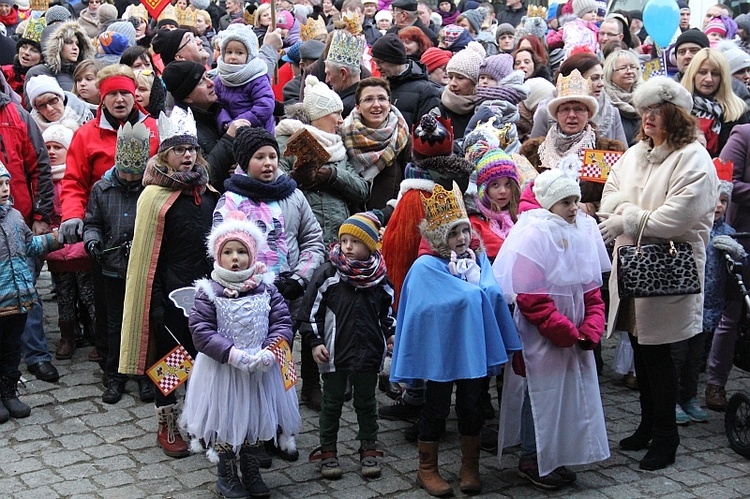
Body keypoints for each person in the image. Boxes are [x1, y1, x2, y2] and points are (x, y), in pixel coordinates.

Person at [599, 76, 718, 471]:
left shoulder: (694, 158)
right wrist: (627, 214)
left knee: (659, 353)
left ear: (674, 114)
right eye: (644, 110)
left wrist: (627, 217)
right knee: (640, 346)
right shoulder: (637, 152)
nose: (647, 118)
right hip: (633, 265)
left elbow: (676, 216)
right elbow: (610, 193)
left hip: (667, 265)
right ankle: (649, 424)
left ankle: (667, 436)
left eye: (656, 110)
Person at [389, 181, 520, 496]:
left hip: (471, 347)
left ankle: (469, 466)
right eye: (453, 234)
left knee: (471, 404)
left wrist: (475, 290)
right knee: (435, 406)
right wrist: (467, 293)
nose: (462, 238)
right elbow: (423, 308)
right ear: (438, 238)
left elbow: (489, 289)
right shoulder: (425, 267)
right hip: (441, 353)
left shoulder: (477, 258)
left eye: (464, 231)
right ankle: (427, 468)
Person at [494, 167, 610, 490]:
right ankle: (532, 458)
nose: (574, 208)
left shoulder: (580, 232)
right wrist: (566, 332)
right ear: (548, 205)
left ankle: (556, 456)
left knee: (568, 395)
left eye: (575, 200)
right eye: (565, 202)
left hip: (573, 334)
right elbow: (532, 299)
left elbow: (591, 291)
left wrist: (591, 326)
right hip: (542, 338)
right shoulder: (534, 235)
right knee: (540, 396)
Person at [180, 212, 300, 498]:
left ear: (253, 253)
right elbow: (201, 330)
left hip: (260, 369)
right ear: (217, 257)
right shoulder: (209, 292)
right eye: (228, 252)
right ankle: (226, 475)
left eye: (242, 251)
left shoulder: (267, 289)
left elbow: (282, 322)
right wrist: (231, 354)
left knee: (254, 418)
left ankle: (251, 467)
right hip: (224, 371)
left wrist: (272, 350)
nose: (235, 258)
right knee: (226, 419)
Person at [119, 106, 216, 458]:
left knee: (205, 358)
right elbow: (148, 257)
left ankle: (201, 419)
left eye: (191, 149)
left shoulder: (208, 193)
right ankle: (168, 422)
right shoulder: (153, 196)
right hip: (171, 293)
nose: (187, 156)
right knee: (173, 361)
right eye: (179, 149)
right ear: (166, 154)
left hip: (206, 291)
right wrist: (156, 300)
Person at [302, 211, 395, 479]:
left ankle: (368, 446)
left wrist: (390, 333)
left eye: (355, 242)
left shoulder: (379, 279)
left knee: (366, 401)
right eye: (344, 241)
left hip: (368, 350)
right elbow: (310, 312)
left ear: (371, 245)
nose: (348, 247)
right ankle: (328, 450)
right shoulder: (329, 275)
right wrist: (315, 341)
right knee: (331, 402)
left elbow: (387, 312)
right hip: (334, 351)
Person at [82, 122, 155, 405]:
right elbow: (93, 222)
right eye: (126, 173)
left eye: (135, 176)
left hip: (142, 269)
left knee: (144, 322)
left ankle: (145, 375)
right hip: (112, 268)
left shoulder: (149, 189)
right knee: (114, 323)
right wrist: (93, 241)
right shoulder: (102, 189)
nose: (130, 179)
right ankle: (115, 374)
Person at [0, 160, 59, 424]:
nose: (4, 189)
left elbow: (28, 245)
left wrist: (55, 239)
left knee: (12, 347)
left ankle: (8, 391)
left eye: (6, 183)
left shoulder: (14, 216)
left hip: (19, 297)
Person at [521, 68, 625, 217]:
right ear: (556, 115)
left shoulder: (606, 151)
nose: (571, 115)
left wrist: (588, 208)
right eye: (565, 110)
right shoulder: (534, 151)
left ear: (589, 114)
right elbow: (523, 195)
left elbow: (614, 198)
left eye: (578, 109)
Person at [705, 124, 750, 410]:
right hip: (744, 237)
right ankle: (715, 382)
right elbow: (725, 179)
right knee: (733, 312)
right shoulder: (744, 134)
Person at [42, 124, 95, 362]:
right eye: (48, 147)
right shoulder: (44, 181)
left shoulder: (75, 178)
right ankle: (68, 335)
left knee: (88, 292)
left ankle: (96, 333)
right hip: (58, 249)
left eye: (57, 147)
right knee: (64, 293)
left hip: (81, 246)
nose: (52, 152)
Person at [341, 77, 410, 215]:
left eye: (382, 99)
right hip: (350, 223)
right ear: (358, 107)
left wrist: (384, 215)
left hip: (389, 220)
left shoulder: (403, 138)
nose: (376, 104)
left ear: (389, 104)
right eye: (368, 99)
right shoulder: (342, 136)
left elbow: (410, 187)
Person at [681, 48, 748, 157]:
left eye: (715, 74)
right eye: (702, 72)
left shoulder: (737, 110)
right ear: (692, 74)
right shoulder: (678, 108)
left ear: (723, 78)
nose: (708, 79)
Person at [214, 24, 275, 135]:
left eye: (239, 53)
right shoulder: (220, 78)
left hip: (257, 133)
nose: (233, 57)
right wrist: (225, 123)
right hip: (230, 132)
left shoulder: (257, 77)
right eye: (229, 52)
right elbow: (216, 105)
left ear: (249, 55)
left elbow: (265, 105)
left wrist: (239, 123)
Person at [24, 20, 95, 93]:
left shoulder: (82, 73)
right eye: (69, 42)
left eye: (77, 44)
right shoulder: (38, 72)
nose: (75, 47)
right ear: (57, 46)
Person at [439, 42, 485, 140]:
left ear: (475, 81)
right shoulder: (438, 112)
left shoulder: (484, 109)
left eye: (460, 78)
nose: (453, 83)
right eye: (450, 77)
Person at [25, 74, 93, 133]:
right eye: (41, 105)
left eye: (52, 100)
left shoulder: (86, 117)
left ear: (61, 97)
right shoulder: (32, 131)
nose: (49, 109)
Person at [603, 49, 642, 145]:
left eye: (633, 67)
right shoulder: (605, 101)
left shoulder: (647, 98)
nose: (629, 71)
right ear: (610, 73)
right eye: (623, 68)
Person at [1, 16, 44, 99]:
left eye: (34, 50)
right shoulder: (4, 73)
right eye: (24, 47)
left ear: (42, 57)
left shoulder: (44, 79)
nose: (26, 52)